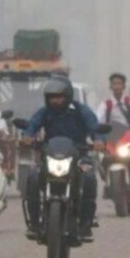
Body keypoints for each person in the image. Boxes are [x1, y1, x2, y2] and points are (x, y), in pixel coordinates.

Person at [21, 75, 104, 241]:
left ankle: (86, 222)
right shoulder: (45, 112)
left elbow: (94, 127)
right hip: (50, 158)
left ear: (68, 96)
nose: (55, 101)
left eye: (59, 97)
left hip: (79, 157)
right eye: (52, 97)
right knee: (33, 177)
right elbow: (31, 126)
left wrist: (99, 140)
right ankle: (34, 222)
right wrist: (27, 136)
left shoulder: (81, 110)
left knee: (88, 176)